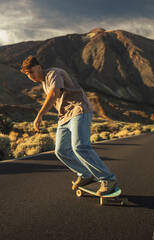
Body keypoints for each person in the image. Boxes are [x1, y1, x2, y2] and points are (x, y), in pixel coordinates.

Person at [20, 55, 117, 195]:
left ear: (39, 67)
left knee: (80, 147)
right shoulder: (43, 82)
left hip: (79, 110)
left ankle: (108, 179)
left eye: (32, 72)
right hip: (64, 117)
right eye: (28, 74)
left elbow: (54, 94)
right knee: (61, 150)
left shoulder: (53, 73)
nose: (31, 76)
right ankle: (85, 174)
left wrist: (39, 115)